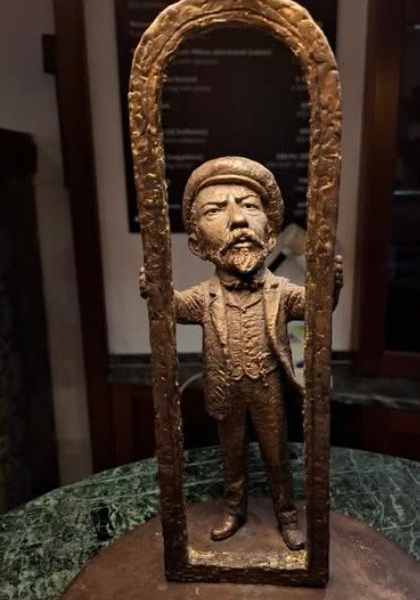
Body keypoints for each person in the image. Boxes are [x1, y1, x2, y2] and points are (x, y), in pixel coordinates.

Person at [140, 156, 343, 551]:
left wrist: (331, 286)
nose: (238, 220)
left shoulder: (280, 292)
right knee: (231, 454)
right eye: (216, 210)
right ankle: (234, 509)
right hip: (224, 390)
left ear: (270, 234)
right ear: (197, 244)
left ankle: (287, 514)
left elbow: (315, 307)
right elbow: (172, 309)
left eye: (250, 206)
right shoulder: (204, 297)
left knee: (275, 454)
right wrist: (156, 290)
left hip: (268, 388)